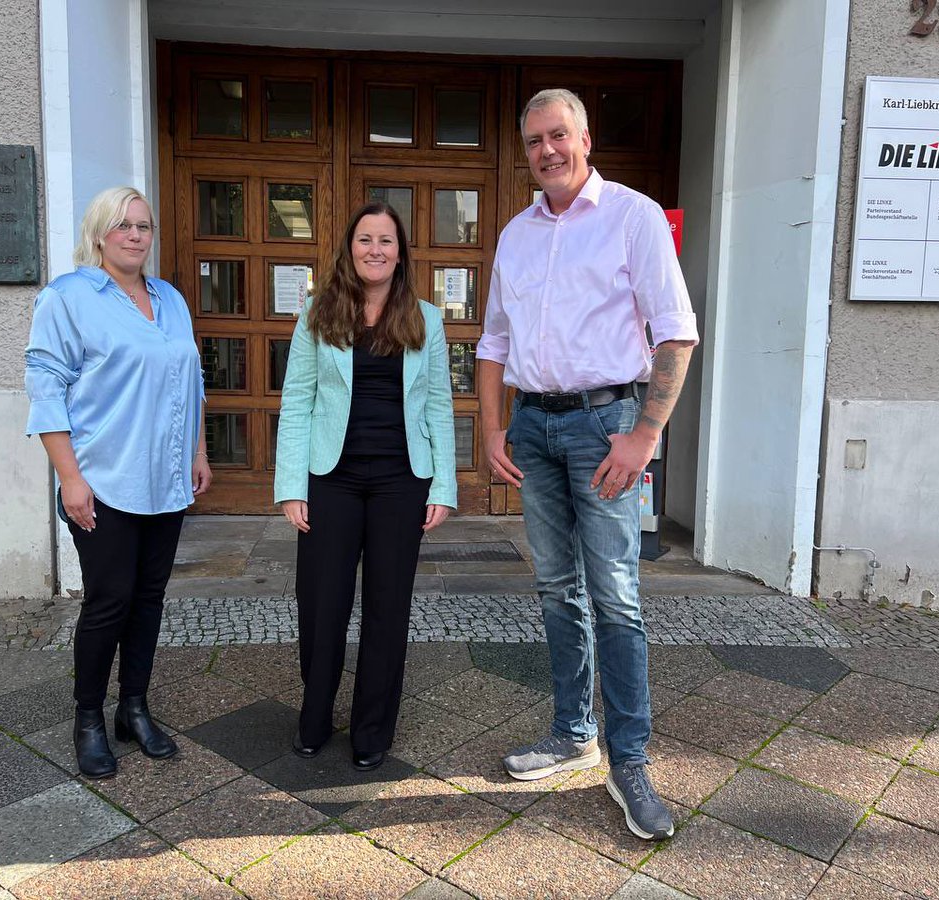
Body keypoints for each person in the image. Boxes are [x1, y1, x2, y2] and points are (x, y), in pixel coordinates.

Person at [476, 89, 698, 839]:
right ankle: (574, 733)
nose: (547, 150)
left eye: (559, 135)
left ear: (585, 136)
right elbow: (493, 342)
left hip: (608, 425)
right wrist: (492, 427)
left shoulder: (632, 217)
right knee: (554, 587)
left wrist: (643, 436)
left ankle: (628, 759)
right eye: (535, 139)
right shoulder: (516, 234)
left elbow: (676, 335)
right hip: (535, 425)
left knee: (615, 593)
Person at [24, 186, 211, 779]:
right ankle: (88, 718)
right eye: (123, 225)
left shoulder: (171, 299)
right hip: (103, 478)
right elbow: (45, 386)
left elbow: (191, 378)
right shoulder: (70, 297)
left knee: (150, 599)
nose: (135, 235)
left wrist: (199, 450)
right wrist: (69, 478)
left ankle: (134, 706)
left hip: (166, 479)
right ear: (99, 232)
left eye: (144, 226)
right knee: (109, 601)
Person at [275, 201, 456, 771]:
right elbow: (297, 401)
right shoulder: (317, 314)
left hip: (403, 481)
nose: (374, 249)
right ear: (349, 249)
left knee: (387, 607)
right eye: (364, 239)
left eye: (385, 240)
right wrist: (290, 484)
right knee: (322, 603)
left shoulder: (426, 318)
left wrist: (443, 486)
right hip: (332, 477)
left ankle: (373, 730)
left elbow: (441, 407)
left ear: (400, 252)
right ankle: (316, 715)